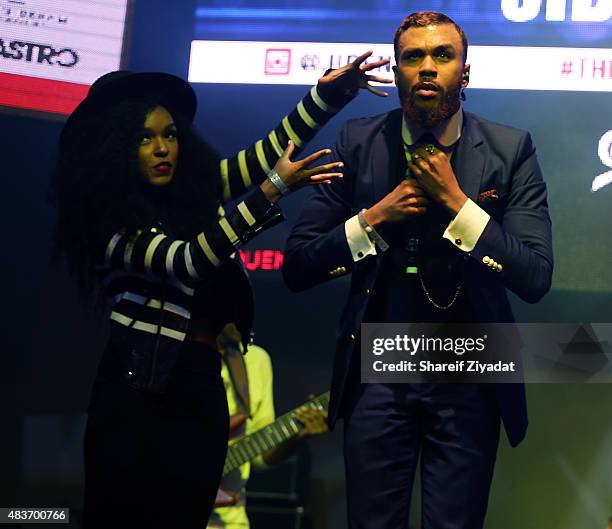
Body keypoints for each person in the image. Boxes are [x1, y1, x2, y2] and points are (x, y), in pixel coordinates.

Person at [50, 54, 390, 529]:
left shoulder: (188, 197)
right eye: (144, 138)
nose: (163, 147)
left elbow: (264, 155)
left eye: (169, 134)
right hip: (138, 396)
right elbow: (188, 260)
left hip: (199, 384)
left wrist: (328, 96)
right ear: (115, 149)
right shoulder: (109, 223)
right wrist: (273, 190)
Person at [283, 11, 553, 529]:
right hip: (380, 367)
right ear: (398, 72)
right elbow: (298, 265)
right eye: (414, 57)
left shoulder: (510, 149)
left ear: (465, 74)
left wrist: (456, 203)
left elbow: (535, 275)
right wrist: (374, 219)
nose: (428, 67)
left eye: (443, 56)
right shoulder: (356, 142)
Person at [207, 323, 328, 529]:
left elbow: (260, 459)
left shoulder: (254, 360)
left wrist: (295, 436)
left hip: (230, 523)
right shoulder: (172, 351)